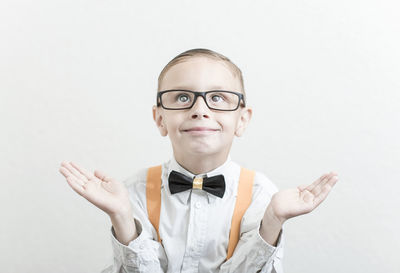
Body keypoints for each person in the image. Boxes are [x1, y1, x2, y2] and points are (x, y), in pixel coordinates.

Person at [59, 48, 339, 273]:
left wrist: (273, 222)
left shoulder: (262, 195)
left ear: (242, 120)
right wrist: (121, 216)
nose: (200, 109)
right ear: (160, 119)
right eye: (183, 97)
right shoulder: (133, 190)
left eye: (217, 97)